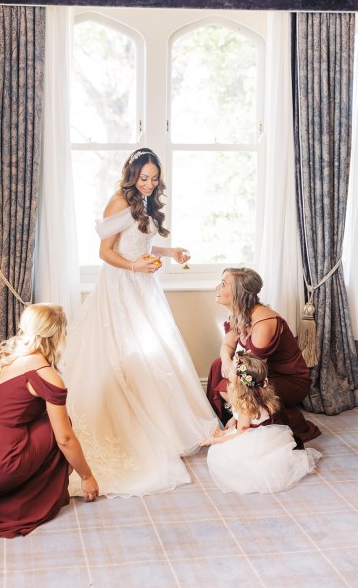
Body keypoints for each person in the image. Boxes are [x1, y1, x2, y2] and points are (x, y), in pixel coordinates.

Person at [63, 148, 218, 498]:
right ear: (131, 175)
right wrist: (136, 267)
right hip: (121, 287)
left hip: (143, 287)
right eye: (144, 178)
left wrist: (170, 251)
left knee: (154, 354)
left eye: (154, 178)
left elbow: (139, 242)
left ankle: (161, 425)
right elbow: (105, 253)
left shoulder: (144, 202)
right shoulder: (119, 202)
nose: (149, 184)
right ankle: (128, 425)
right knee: (122, 353)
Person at [0, 304, 99, 538]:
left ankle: (7, 492)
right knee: (62, 428)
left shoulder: (5, 357)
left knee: (46, 420)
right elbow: (64, 439)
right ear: (57, 335)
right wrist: (87, 476)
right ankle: (25, 502)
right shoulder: (45, 375)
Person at [207, 267, 321, 443]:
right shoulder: (239, 314)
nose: (217, 288)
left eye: (223, 284)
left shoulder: (264, 323)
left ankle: (250, 421)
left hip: (289, 380)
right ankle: (242, 417)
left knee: (228, 385)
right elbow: (227, 345)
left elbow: (252, 374)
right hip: (264, 373)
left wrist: (232, 372)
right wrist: (225, 361)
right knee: (217, 366)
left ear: (238, 292)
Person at [200, 351, 321, 493]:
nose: (228, 372)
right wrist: (233, 420)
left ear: (240, 382)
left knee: (222, 457)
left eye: (232, 371)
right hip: (264, 432)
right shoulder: (258, 394)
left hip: (252, 437)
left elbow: (241, 434)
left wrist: (215, 440)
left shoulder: (245, 404)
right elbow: (245, 421)